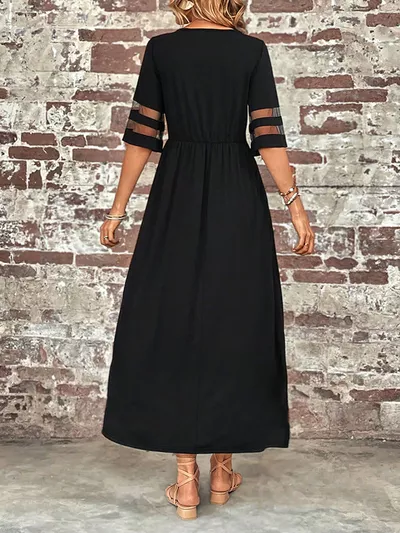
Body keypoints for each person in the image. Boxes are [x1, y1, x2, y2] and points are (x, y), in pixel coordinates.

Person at [100, 0, 315, 521]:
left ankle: (185, 481)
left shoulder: (162, 51)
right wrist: (295, 206)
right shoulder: (250, 52)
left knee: (175, 319)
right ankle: (222, 470)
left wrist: (118, 209)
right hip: (236, 193)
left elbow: (142, 136)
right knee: (233, 318)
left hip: (176, 190)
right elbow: (267, 135)